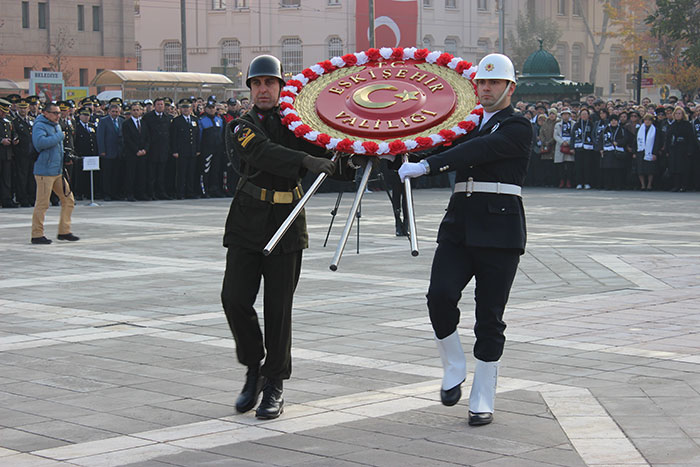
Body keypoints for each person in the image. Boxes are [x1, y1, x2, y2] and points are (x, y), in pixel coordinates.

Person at [398, 53, 532, 426]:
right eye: (482, 83)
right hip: (459, 226)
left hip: (500, 231)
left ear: (509, 88)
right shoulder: (463, 126)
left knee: (489, 317)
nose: (486, 89)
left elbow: (477, 151)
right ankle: (454, 363)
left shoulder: (518, 126)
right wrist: (390, 145)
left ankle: (483, 395)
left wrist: (427, 166)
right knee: (439, 296)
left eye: (494, 83)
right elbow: (433, 145)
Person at [221, 55, 338, 420]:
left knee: (278, 309)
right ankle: (253, 364)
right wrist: (306, 160)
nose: (263, 89)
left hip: (287, 221)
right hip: (247, 220)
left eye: (270, 83)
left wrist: (355, 148)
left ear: (282, 87)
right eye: (257, 84)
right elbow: (262, 153)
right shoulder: (241, 125)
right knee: (234, 298)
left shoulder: (299, 125)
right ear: (250, 89)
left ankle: (274, 383)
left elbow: (330, 156)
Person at [30, 102, 79, 244]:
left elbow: (58, 147)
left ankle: (64, 231)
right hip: (44, 171)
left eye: (59, 113)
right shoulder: (40, 125)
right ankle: (37, 234)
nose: (58, 115)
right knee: (42, 203)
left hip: (57, 170)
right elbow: (40, 143)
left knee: (68, 200)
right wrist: (59, 136)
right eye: (54, 113)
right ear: (45, 113)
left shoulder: (56, 126)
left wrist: (66, 156)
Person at [142, 97, 173, 200]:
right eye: (158, 104)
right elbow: (145, 134)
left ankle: (161, 192)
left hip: (164, 150)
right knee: (151, 174)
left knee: (162, 174)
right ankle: (151, 193)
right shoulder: (148, 117)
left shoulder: (168, 118)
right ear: (154, 106)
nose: (160, 106)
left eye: (162, 104)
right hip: (152, 150)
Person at [170, 98, 200, 199]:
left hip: (192, 150)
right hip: (181, 151)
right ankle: (180, 193)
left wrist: (197, 149)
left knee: (191, 173)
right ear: (180, 109)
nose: (186, 109)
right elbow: (173, 137)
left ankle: (190, 192)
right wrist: (175, 150)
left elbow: (197, 136)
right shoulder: (176, 121)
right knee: (181, 174)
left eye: (187, 107)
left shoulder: (194, 120)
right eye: (183, 107)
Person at [97, 101, 125, 201]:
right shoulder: (103, 121)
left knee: (117, 174)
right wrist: (102, 150)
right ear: (109, 111)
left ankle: (116, 193)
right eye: (113, 111)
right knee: (107, 175)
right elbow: (100, 137)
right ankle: (107, 194)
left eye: (117, 111)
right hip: (108, 151)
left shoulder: (122, 121)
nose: (115, 113)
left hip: (119, 152)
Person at [122, 102, 150, 201]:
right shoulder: (126, 124)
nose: (136, 112)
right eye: (134, 110)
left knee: (141, 175)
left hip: (143, 153)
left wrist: (145, 150)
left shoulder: (144, 123)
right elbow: (127, 139)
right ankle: (129, 194)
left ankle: (141, 193)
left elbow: (147, 138)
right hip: (132, 153)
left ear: (141, 111)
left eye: (138, 110)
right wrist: (136, 150)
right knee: (131, 175)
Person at [12, 98, 37, 207]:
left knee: (32, 177)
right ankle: (22, 198)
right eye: (21, 108)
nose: (23, 110)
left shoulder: (32, 120)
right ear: (17, 108)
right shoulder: (14, 121)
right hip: (21, 153)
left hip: (32, 153)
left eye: (25, 108)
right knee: (22, 177)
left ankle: (31, 197)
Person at [198, 101, 225, 197]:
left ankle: (215, 189)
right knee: (206, 170)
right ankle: (205, 190)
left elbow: (221, 134)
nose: (211, 109)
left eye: (213, 107)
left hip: (217, 149)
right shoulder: (201, 120)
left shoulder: (219, 120)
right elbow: (199, 136)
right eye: (209, 107)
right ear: (205, 109)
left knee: (216, 170)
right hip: (207, 149)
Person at [667, 106, 695, 192]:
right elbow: (668, 138)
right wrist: (668, 150)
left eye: (679, 113)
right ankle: (676, 185)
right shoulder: (672, 125)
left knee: (683, 169)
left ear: (683, 115)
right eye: (676, 113)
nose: (678, 115)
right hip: (674, 149)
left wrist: (690, 150)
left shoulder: (687, 124)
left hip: (684, 149)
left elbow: (691, 138)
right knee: (674, 168)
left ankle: (684, 186)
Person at [0, 99, 19, 208]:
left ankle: (7, 199)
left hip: (7, 154)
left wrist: (15, 139)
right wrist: (1, 140)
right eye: (2, 111)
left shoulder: (9, 120)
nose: (4, 114)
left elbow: (14, 132)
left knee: (7, 178)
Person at [635, 113, 661, 191]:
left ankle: (649, 184)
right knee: (640, 169)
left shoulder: (655, 130)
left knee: (650, 169)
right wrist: (634, 151)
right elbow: (635, 141)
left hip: (650, 151)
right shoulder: (639, 129)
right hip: (641, 151)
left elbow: (657, 142)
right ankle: (642, 185)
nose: (647, 121)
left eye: (649, 120)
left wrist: (654, 153)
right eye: (645, 120)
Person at [553, 107, 575, 188]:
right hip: (560, 146)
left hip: (570, 145)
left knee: (569, 164)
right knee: (560, 165)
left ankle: (569, 181)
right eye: (564, 114)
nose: (565, 116)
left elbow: (574, 135)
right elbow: (555, 135)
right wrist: (562, 142)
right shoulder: (557, 124)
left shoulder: (573, 124)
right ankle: (562, 180)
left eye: (567, 114)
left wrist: (568, 142)